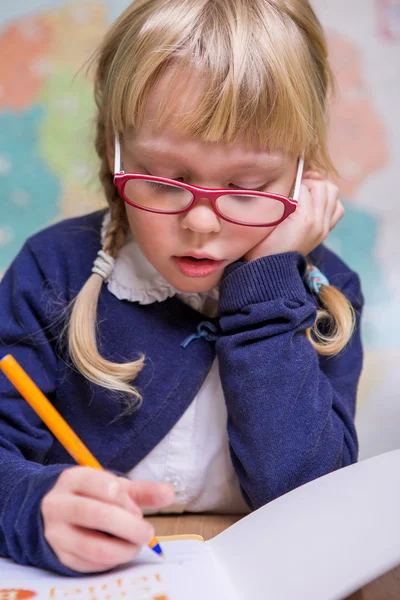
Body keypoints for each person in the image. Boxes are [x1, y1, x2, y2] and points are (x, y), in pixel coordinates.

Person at [0, 0, 364, 576]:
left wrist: (264, 286)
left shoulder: (327, 293)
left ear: (303, 176)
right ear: (114, 153)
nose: (200, 223)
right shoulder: (55, 270)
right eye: (163, 180)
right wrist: (28, 506)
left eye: (247, 186)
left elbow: (308, 498)